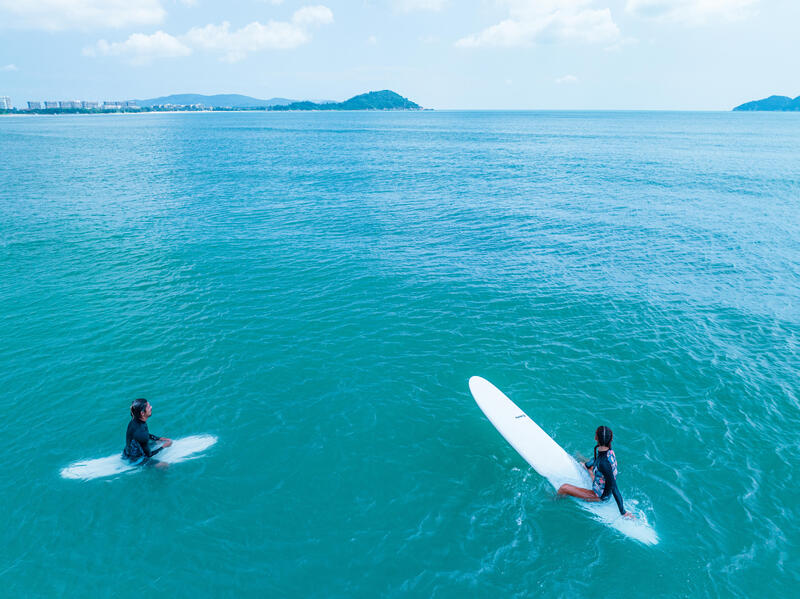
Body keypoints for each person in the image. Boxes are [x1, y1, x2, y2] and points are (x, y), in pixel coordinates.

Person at [557, 425, 634, 519]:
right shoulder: (609, 450)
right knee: (587, 464)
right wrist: (587, 465)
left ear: (595, 438)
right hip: (599, 480)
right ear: (611, 439)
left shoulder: (604, 463)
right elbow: (597, 458)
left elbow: (613, 486)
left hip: (599, 494)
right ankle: (586, 465)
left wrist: (623, 512)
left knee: (564, 488)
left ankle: (554, 499)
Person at [122, 398, 172, 464]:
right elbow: (149, 455)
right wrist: (164, 446)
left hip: (128, 451)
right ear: (142, 413)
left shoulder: (135, 418)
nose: (151, 407)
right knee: (164, 465)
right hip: (136, 459)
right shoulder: (141, 434)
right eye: (148, 407)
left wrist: (158, 438)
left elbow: (132, 408)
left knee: (158, 442)